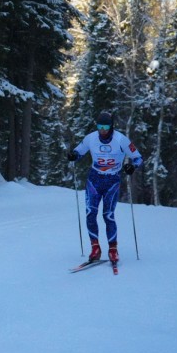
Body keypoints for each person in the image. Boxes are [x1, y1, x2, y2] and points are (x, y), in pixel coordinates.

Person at [67, 111, 142, 263]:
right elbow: (79, 152)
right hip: (94, 179)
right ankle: (95, 248)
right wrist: (73, 155)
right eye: (100, 126)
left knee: (108, 215)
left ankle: (113, 249)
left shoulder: (121, 139)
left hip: (112, 181)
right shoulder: (91, 138)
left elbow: (138, 158)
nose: (102, 130)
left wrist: (132, 167)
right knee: (90, 213)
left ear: (111, 126)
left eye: (106, 126)